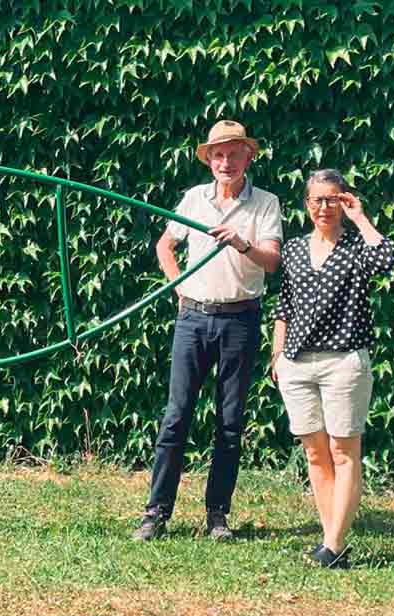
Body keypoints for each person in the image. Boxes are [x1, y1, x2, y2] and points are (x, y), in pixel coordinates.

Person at [133, 120, 283, 541]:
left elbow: (272, 261)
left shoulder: (266, 203)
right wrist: (179, 286)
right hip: (194, 319)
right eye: (218, 155)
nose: (226, 162)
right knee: (176, 416)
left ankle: (217, 516)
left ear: (248, 157)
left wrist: (241, 244)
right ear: (209, 161)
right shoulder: (194, 198)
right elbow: (166, 244)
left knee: (230, 421)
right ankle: (156, 513)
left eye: (235, 153)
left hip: (240, 319)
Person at [270, 169, 393, 568]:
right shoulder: (291, 249)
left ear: (344, 201)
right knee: (315, 454)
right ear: (306, 205)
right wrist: (277, 354)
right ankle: (331, 542)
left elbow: (386, 258)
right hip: (296, 364)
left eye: (333, 199)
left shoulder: (358, 246)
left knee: (343, 450)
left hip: (344, 363)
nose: (324, 207)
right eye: (317, 200)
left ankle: (334, 545)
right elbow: (284, 306)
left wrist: (360, 217)